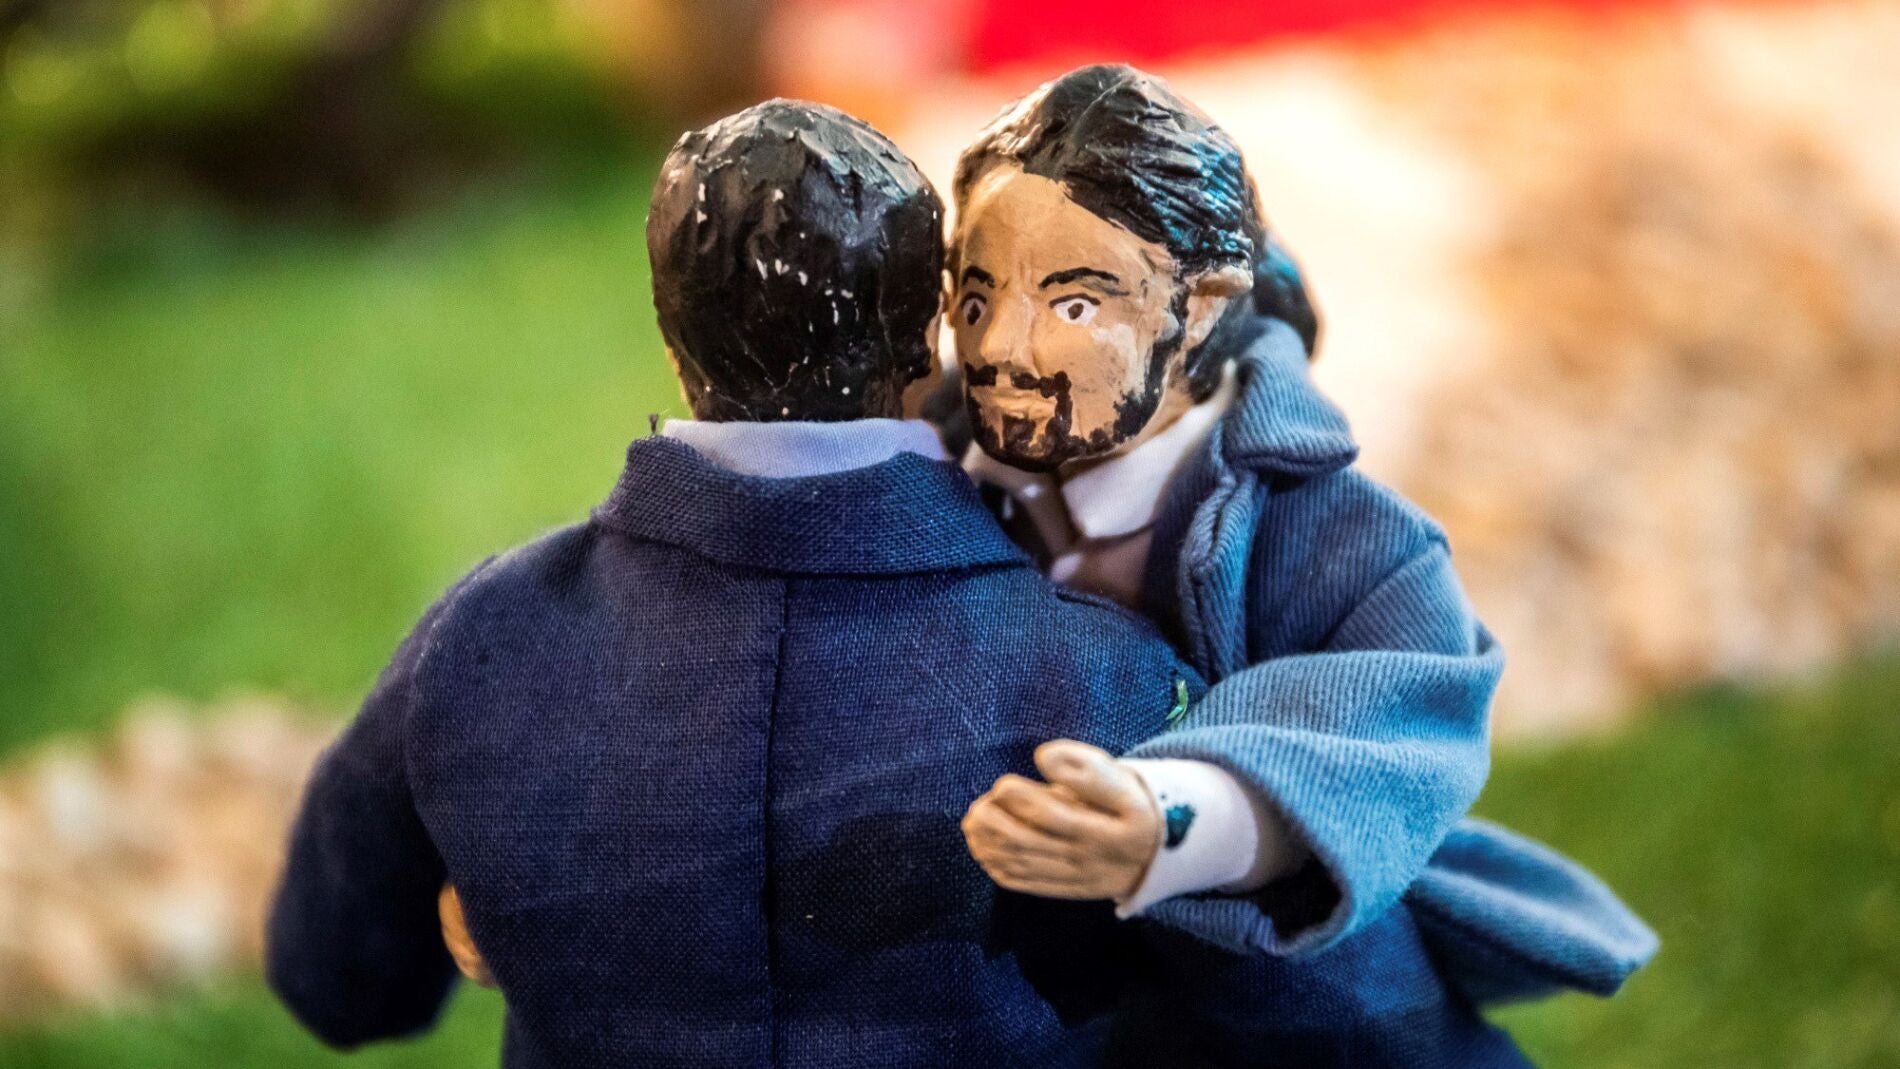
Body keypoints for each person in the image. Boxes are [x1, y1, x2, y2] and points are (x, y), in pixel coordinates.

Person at [267, 100, 1207, 1068]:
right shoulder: (1110, 676)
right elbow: (1252, 1006)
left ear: (673, 333)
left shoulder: (480, 639)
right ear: (923, 336)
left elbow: (335, 978)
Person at [949, 64, 1657, 1059]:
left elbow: (1400, 711)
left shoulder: (1340, 532)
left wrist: (1175, 821)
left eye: (1070, 306)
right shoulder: (937, 469)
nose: (999, 348)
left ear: (1199, 308)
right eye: (975, 298)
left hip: (1276, 977)